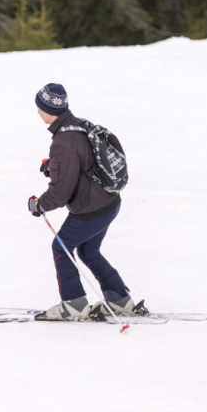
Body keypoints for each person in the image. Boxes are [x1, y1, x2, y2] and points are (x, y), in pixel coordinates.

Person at [28, 83, 135, 320]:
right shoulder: (78, 125)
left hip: (91, 210)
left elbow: (59, 194)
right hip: (109, 203)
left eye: (39, 107)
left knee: (61, 248)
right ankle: (120, 300)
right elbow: (82, 165)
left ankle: (74, 304)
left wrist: (39, 205)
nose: (37, 111)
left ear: (48, 109)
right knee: (89, 250)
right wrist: (53, 168)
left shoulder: (63, 141)